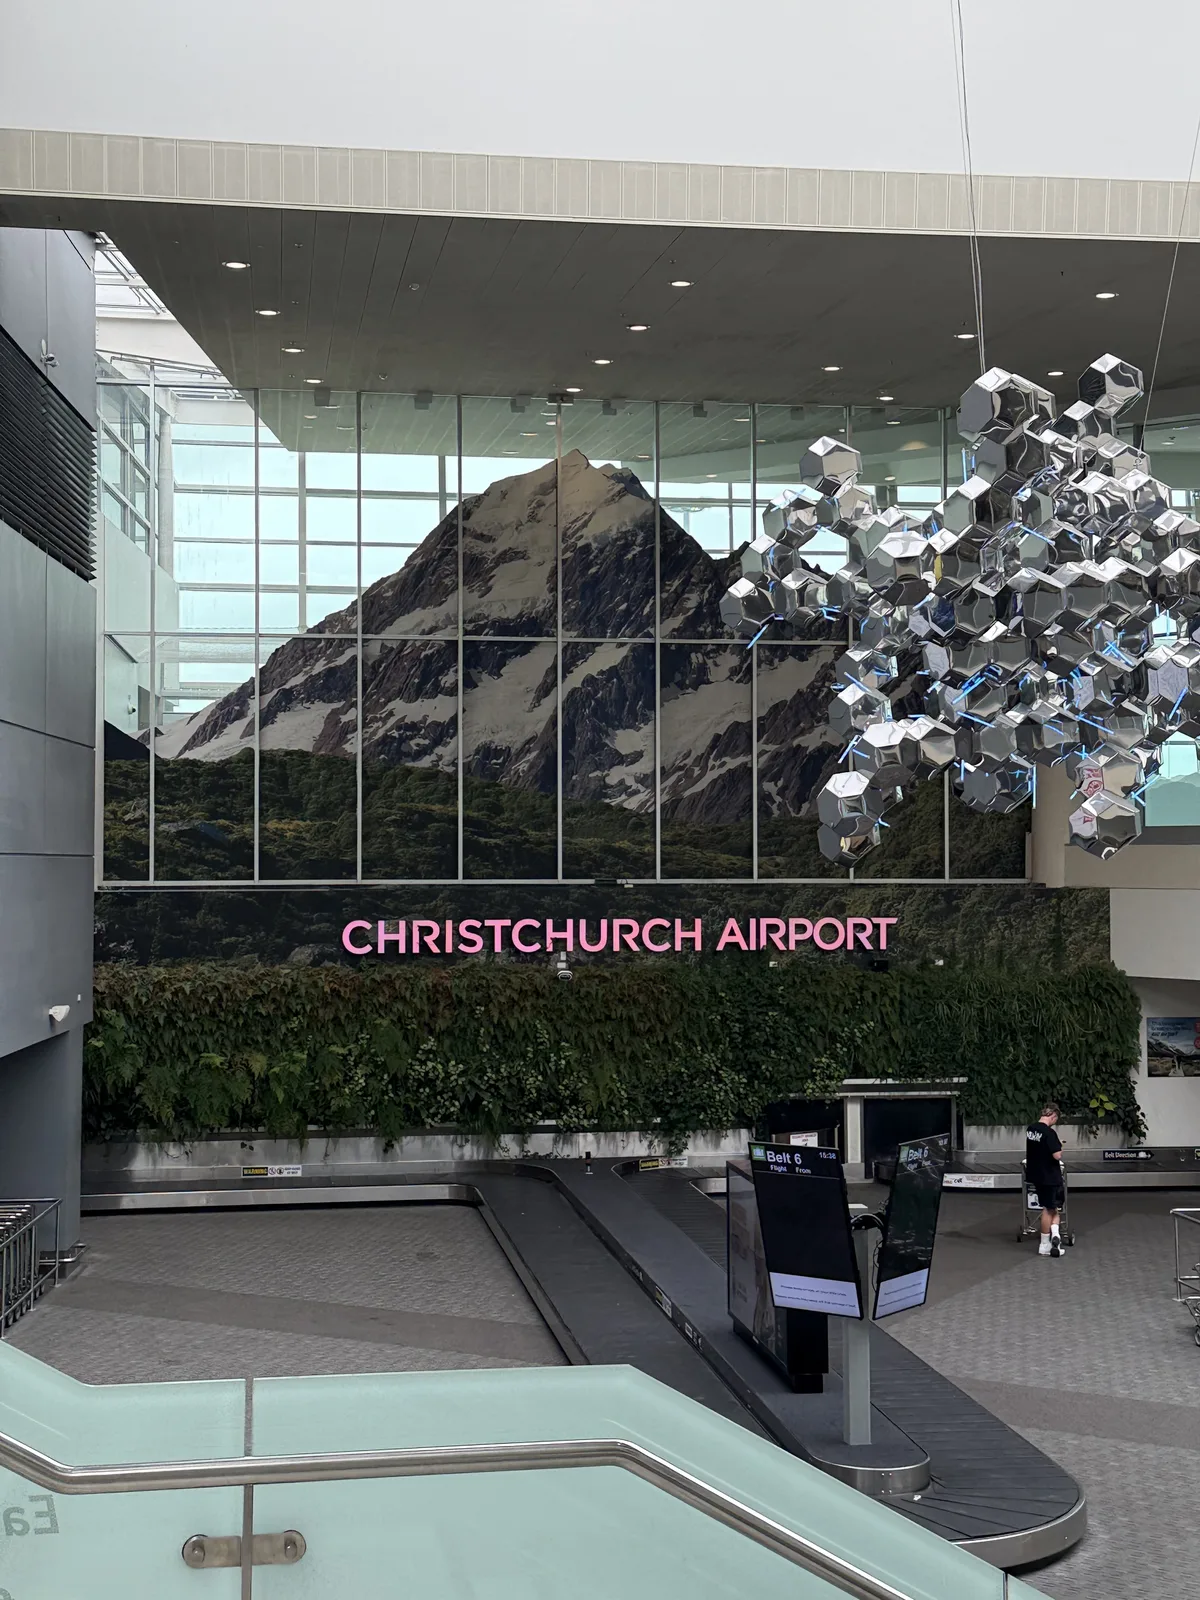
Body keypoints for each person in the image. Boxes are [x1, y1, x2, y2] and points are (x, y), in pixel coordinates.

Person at [1026, 1104, 1064, 1258]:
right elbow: (1057, 1155)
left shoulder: (1031, 1129)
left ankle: (1055, 1237)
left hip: (1036, 1174)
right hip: (1050, 1176)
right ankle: (1045, 1244)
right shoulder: (1049, 1133)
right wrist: (1059, 1145)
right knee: (1050, 1209)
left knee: (1050, 1208)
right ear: (1053, 1116)